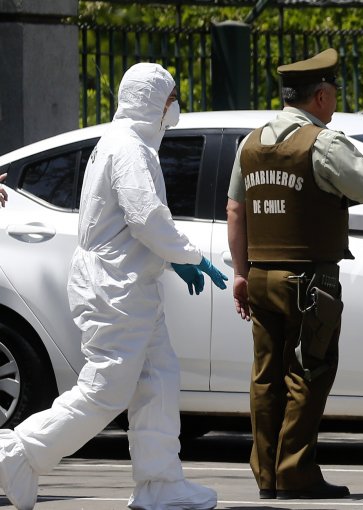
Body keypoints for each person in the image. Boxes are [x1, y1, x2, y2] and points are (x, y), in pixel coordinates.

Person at [0, 62, 226, 510]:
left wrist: (170, 258)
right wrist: (190, 255)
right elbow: (146, 218)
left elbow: (134, 223)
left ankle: (160, 484)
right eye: (170, 98)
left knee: (158, 379)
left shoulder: (127, 143)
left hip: (129, 283)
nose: (175, 108)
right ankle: (16, 453)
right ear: (153, 102)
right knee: (106, 390)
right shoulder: (130, 149)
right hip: (119, 288)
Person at [226, 48, 363, 500]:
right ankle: (295, 473)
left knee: (266, 376)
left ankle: (267, 474)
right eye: (333, 90)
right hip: (309, 282)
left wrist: (241, 274)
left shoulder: (252, 142)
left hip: (260, 275)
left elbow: (235, 211)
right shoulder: (322, 141)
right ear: (320, 95)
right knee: (309, 372)